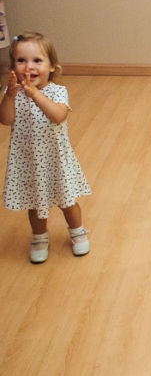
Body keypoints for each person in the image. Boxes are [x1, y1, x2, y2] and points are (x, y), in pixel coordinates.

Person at [0, 31, 92, 263]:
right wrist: (9, 96)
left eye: (37, 60)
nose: (28, 66)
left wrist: (34, 94)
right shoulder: (13, 93)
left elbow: (58, 116)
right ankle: (39, 237)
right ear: (13, 66)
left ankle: (77, 231)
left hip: (55, 161)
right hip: (28, 162)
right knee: (34, 204)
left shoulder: (58, 91)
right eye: (21, 60)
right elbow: (6, 120)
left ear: (51, 66)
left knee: (67, 201)